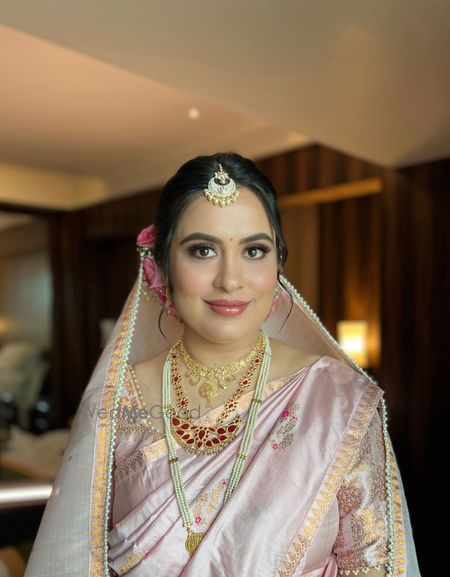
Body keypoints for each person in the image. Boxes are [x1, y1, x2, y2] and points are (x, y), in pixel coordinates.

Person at [24, 153, 420, 576]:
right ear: (162, 265)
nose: (230, 279)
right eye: (203, 250)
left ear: (278, 264)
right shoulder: (117, 400)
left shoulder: (337, 401)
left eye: (254, 250)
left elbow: (374, 564)